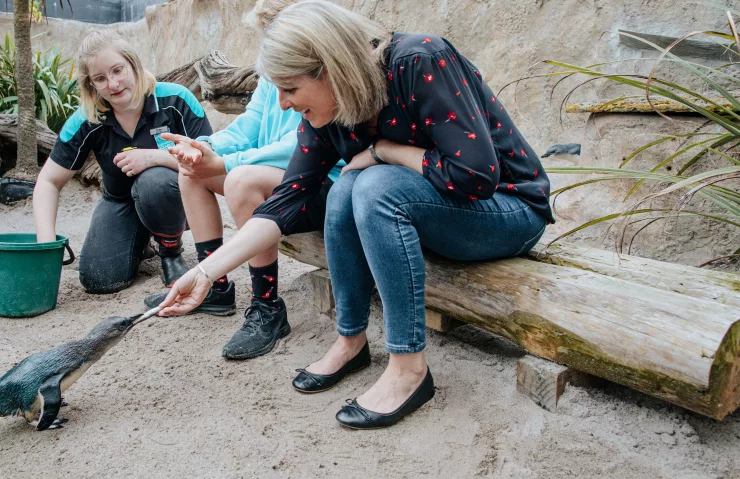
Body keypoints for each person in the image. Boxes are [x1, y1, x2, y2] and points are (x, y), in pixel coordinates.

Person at [157, 0, 553, 429]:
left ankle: (409, 368)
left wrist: (385, 151)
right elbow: (289, 198)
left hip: (506, 210)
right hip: (442, 213)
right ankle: (350, 340)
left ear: (328, 68)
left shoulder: (419, 60)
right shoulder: (330, 109)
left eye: (289, 89)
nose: (285, 104)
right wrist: (206, 272)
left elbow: (475, 175)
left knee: (373, 183)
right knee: (346, 186)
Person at [143, 0, 344, 360]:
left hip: (321, 185)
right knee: (194, 172)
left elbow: (298, 148)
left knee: (240, 180)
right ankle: (216, 287)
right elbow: (248, 127)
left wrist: (225, 162)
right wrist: (203, 148)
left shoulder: (320, 74)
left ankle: (267, 306)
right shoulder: (272, 75)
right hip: (271, 175)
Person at [33, 29, 212, 293]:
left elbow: (212, 159)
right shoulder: (87, 119)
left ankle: (170, 252)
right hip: (120, 200)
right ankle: (141, 241)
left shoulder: (176, 99)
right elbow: (48, 181)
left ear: (134, 65)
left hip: (176, 195)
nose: (113, 84)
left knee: (154, 181)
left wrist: (154, 157)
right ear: (90, 84)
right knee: (100, 279)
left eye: (118, 71)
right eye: (101, 78)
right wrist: (45, 245)